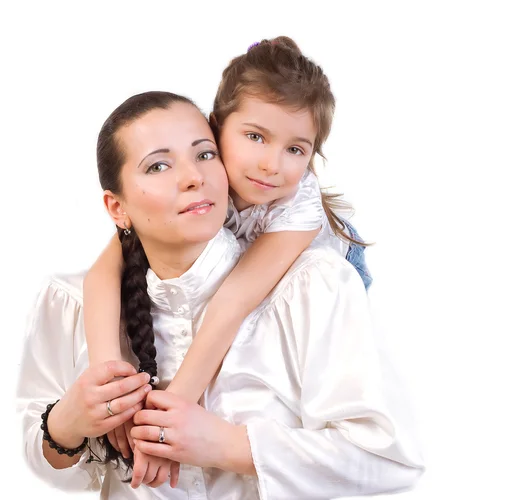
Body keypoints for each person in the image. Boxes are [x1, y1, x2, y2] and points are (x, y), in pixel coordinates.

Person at [17, 91, 424, 498]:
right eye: (158, 165)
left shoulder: (311, 285)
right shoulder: (70, 303)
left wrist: (230, 446)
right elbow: (48, 468)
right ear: (116, 207)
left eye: (205, 154)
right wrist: (65, 424)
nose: (193, 176)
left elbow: (389, 459)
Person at [83, 37, 374, 481]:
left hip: (317, 263)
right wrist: (112, 387)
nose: (272, 165)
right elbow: (107, 268)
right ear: (215, 126)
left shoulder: (299, 209)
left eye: (296, 149)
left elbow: (233, 302)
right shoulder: (200, 177)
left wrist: (168, 418)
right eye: (255, 137)